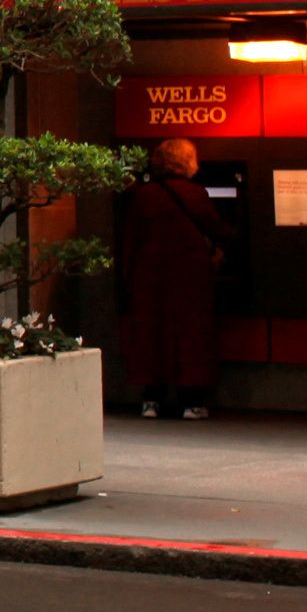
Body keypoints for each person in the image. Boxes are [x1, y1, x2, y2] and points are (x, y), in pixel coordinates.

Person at [115, 136, 232, 420]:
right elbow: (220, 230)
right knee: (191, 338)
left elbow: (129, 241)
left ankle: (151, 400)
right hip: (190, 278)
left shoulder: (142, 196)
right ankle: (191, 402)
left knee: (151, 337)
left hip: (149, 278)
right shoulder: (196, 194)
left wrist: (126, 282)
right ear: (189, 162)